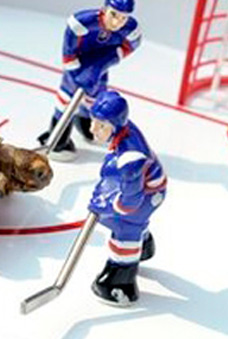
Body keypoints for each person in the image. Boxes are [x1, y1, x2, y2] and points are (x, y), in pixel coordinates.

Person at [87, 91, 166, 306]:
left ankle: (121, 282)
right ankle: (144, 246)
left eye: (101, 126)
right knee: (128, 220)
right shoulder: (122, 129)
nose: (93, 129)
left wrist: (112, 206)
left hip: (147, 193)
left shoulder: (131, 160)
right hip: (144, 186)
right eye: (94, 122)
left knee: (124, 225)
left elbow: (131, 200)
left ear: (114, 125)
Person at [38, 0, 142, 161]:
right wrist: (77, 72)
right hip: (79, 67)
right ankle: (58, 138)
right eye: (114, 15)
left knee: (96, 96)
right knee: (67, 97)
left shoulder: (131, 29)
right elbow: (69, 53)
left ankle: (86, 126)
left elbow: (132, 45)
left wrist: (102, 63)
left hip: (100, 67)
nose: (117, 23)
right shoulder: (82, 22)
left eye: (123, 18)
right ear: (105, 9)